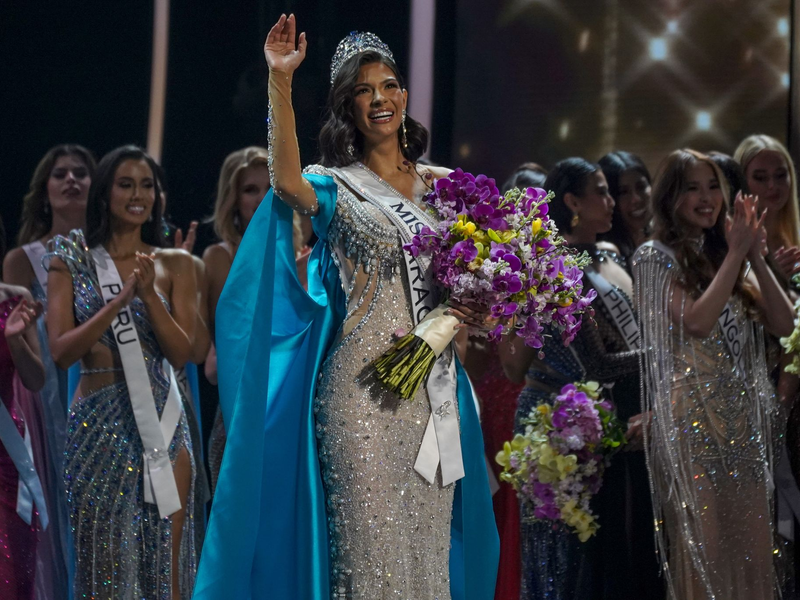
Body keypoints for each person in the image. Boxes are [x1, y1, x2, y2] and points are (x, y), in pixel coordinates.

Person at [194, 15, 498, 599]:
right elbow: (284, 183)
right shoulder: (337, 184)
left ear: (405, 95)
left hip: (433, 397)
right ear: (348, 108)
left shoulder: (448, 190)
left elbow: (474, 278)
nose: (379, 100)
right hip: (364, 395)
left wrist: (478, 302)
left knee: (426, 559)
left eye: (387, 86)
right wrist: (279, 80)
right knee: (368, 558)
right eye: (363, 92)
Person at [633, 149, 793, 599]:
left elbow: (784, 325)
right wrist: (736, 254)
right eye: (692, 187)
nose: (707, 198)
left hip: (741, 421)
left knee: (754, 549)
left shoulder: (724, 253)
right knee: (704, 549)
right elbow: (699, 321)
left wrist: (754, 257)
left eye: (713, 187)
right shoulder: (653, 256)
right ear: (671, 196)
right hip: (690, 422)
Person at [45, 145, 201, 599]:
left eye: (147, 185)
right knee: (102, 573)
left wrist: (149, 296)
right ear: (104, 193)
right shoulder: (70, 256)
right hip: (96, 427)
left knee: (164, 574)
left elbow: (180, 353)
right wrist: (116, 302)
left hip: (164, 428)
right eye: (126, 184)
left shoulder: (176, 265)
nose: (138, 195)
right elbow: (61, 352)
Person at [500, 157, 659, 599]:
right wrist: (669, 356)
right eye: (602, 192)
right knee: (558, 562)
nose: (613, 203)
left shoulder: (594, 261)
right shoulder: (555, 267)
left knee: (586, 558)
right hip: (553, 427)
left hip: (582, 426)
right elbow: (598, 366)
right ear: (572, 201)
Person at [3, 143, 96, 598]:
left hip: (101, 398)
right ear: (45, 190)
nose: (72, 180)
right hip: (45, 403)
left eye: (81, 173)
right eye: (60, 174)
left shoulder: (107, 255)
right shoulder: (22, 259)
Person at [201, 146, 271, 493]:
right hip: (237, 415)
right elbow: (208, 353)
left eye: (271, 188)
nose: (263, 198)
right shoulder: (218, 258)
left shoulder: (309, 260)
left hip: (293, 410)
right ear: (234, 200)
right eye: (250, 190)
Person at [0, 219, 49, 600]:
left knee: (13, 575)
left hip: (6, 458)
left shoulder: (13, 298)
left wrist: (16, 341)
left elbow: (35, 380)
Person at [597, 151, 652, 272]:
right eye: (623, 192)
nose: (636, 199)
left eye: (641, 187)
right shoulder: (607, 253)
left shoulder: (664, 237)